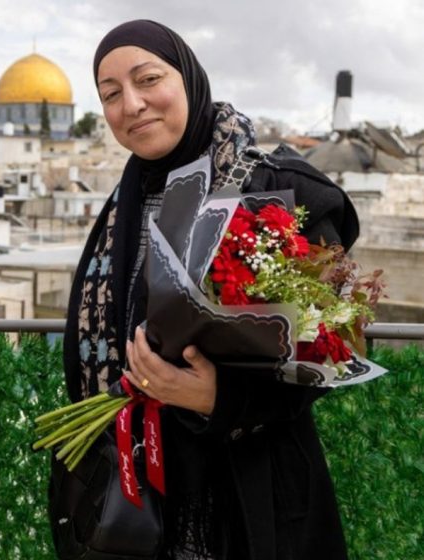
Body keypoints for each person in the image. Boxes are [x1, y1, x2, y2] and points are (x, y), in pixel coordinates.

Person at [59, 20, 356, 559]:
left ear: (189, 80)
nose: (132, 104)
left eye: (148, 79)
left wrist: (217, 399)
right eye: (110, 95)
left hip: (247, 497)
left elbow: (336, 349)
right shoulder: (122, 206)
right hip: (144, 501)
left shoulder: (275, 190)